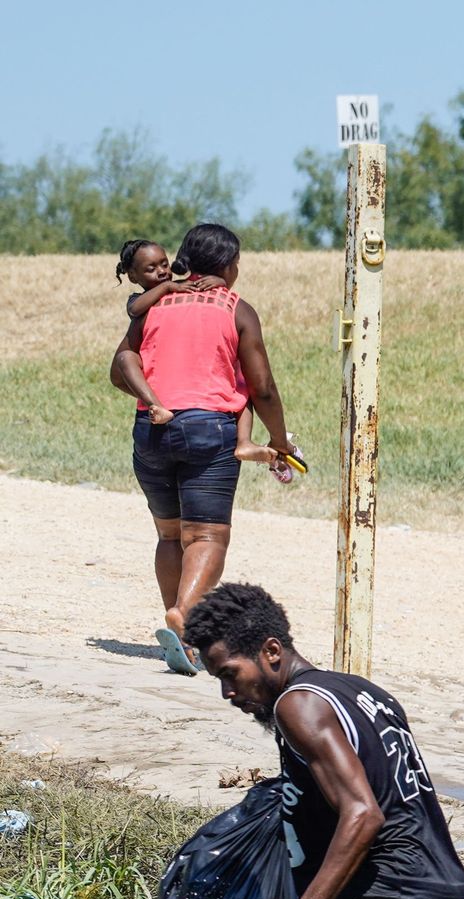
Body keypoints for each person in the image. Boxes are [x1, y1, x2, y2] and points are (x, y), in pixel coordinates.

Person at [184, 583, 464, 899]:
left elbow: (363, 813)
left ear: (271, 651)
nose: (228, 694)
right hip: (440, 887)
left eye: (230, 675)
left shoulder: (297, 705)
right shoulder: (362, 692)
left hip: (394, 894)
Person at [109, 224, 296, 675]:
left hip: (152, 429)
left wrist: (156, 400)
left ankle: (181, 636)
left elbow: (120, 370)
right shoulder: (236, 308)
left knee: (170, 535)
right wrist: (279, 440)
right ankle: (185, 617)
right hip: (209, 429)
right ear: (228, 266)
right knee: (207, 536)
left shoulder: (155, 305)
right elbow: (263, 387)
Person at [115, 239, 287, 474]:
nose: (162, 272)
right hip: (210, 424)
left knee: (167, 513)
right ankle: (242, 441)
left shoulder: (169, 297)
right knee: (241, 385)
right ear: (133, 276)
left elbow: (116, 377)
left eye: (164, 264)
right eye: (151, 269)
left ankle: (244, 440)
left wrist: (219, 283)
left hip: (155, 435)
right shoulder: (142, 303)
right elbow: (134, 310)